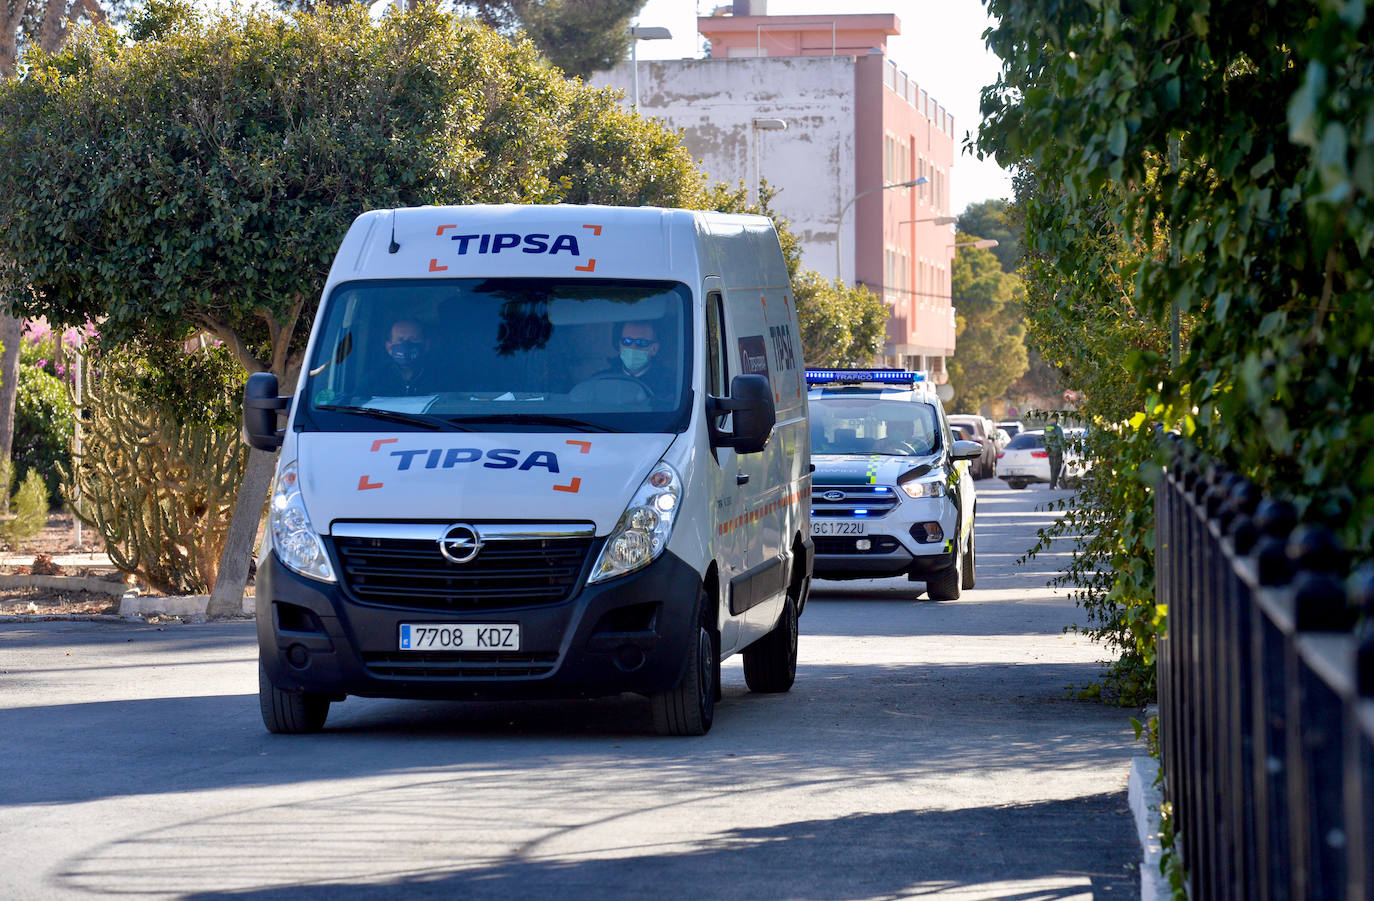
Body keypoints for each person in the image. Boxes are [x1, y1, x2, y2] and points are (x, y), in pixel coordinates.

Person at [593, 320, 675, 400]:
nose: (632, 347)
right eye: (626, 341)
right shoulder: (600, 381)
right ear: (619, 345)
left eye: (641, 342)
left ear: (654, 349)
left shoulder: (670, 384)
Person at [375, 318, 434, 396]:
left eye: (414, 339)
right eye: (400, 340)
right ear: (389, 347)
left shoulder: (444, 378)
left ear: (426, 345)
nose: (406, 345)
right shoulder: (374, 380)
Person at [1044, 412, 1066, 490]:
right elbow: (1061, 440)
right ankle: (1053, 485)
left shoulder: (1047, 428)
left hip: (1050, 451)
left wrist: (1047, 449)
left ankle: (1052, 485)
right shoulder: (1058, 428)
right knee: (1057, 468)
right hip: (1057, 450)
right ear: (1057, 419)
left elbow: (1045, 440)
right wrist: (1065, 450)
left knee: (1052, 468)